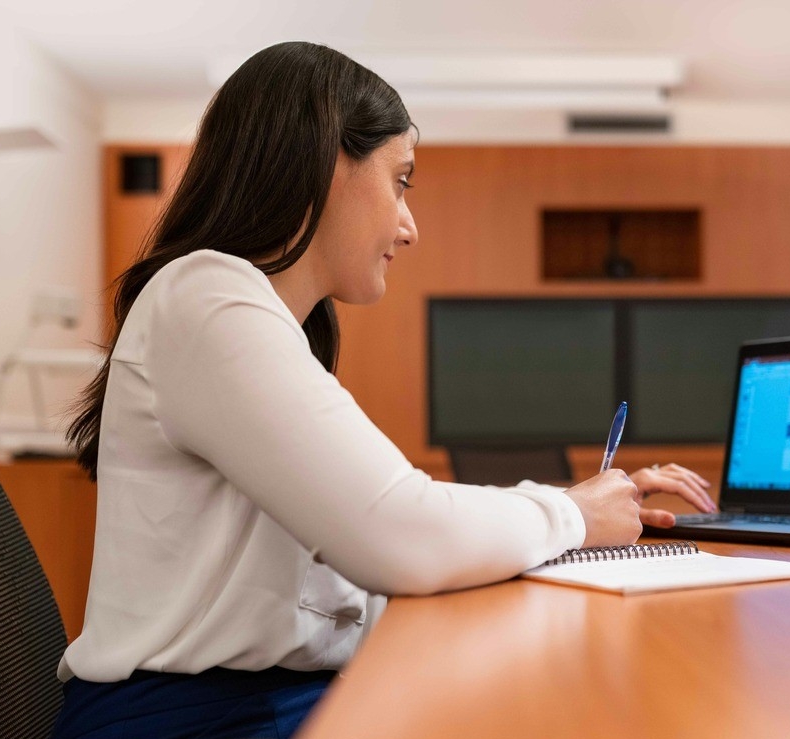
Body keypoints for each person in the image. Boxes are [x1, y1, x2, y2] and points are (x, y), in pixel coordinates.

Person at [53, 41, 716, 739]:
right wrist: (571, 514)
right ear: (327, 163)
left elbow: (383, 544)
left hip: (256, 703)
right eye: (400, 180)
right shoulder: (204, 296)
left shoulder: (252, 319)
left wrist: (570, 527)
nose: (409, 223)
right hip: (188, 721)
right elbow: (399, 530)